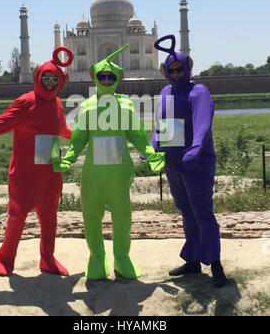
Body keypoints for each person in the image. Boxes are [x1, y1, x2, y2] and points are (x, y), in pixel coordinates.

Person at [52, 44, 165, 280]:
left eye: (109, 76)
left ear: (116, 78)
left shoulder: (125, 105)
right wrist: (69, 159)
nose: (105, 79)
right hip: (93, 174)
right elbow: (79, 139)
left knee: (122, 217)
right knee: (91, 216)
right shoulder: (87, 106)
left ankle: (122, 258)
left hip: (119, 173)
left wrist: (152, 154)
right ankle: (97, 258)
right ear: (95, 77)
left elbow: (137, 135)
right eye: (102, 76)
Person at [0, 46, 74, 276]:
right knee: (17, 217)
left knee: (49, 219)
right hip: (25, 174)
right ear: (38, 77)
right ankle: (5, 258)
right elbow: (2, 122)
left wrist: (83, 136)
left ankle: (47, 259)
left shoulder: (56, 104)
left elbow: (62, 129)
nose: (49, 82)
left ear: (59, 81)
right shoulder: (26, 102)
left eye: (53, 79)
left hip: (49, 172)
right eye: (45, 78)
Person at [151, 34, 227, 288]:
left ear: (187, 67)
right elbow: (163, 125)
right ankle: (193, 260)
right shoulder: (166, 92)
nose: (175, 74)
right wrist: (154, 146)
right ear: (165, 72)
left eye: (179, 69)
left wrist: (195, 148)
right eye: (171, 70)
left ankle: (215, 265)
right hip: (175, 164)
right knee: (186, 213)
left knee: (203, 214)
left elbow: (203, 124)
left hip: (197, 164)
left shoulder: (198, 91)